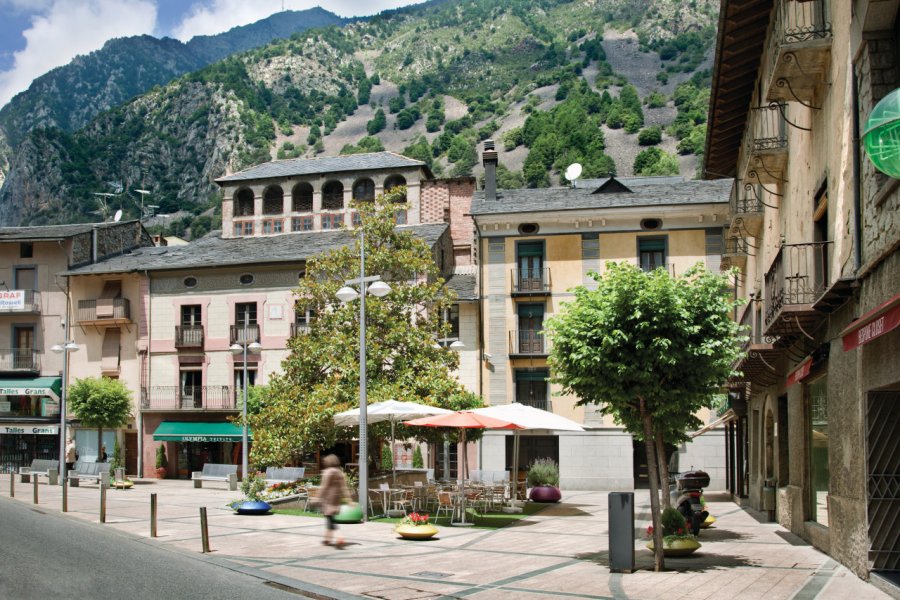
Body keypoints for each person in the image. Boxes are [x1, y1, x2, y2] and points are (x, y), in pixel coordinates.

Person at [318, 454, 351, 549]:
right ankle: (328, 538)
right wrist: (348, 499)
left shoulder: (327, 472)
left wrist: (318, 497)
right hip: (336, 499)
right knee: (330, 518)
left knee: (330, 519)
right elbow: (344, 487)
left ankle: (339, 536)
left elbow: (324, 487)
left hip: (328, 499)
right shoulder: (339, 472)